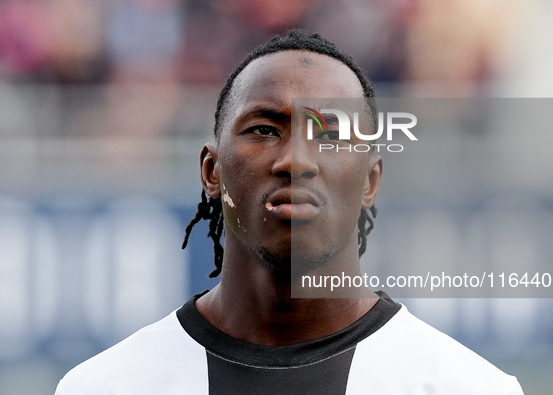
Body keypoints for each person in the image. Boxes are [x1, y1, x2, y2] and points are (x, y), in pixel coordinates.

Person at [55, 30, 523, 394]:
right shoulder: (105, 387)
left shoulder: (468, 388)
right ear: (212, 171)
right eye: (263, 129)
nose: (295, 160)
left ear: (370, 181)